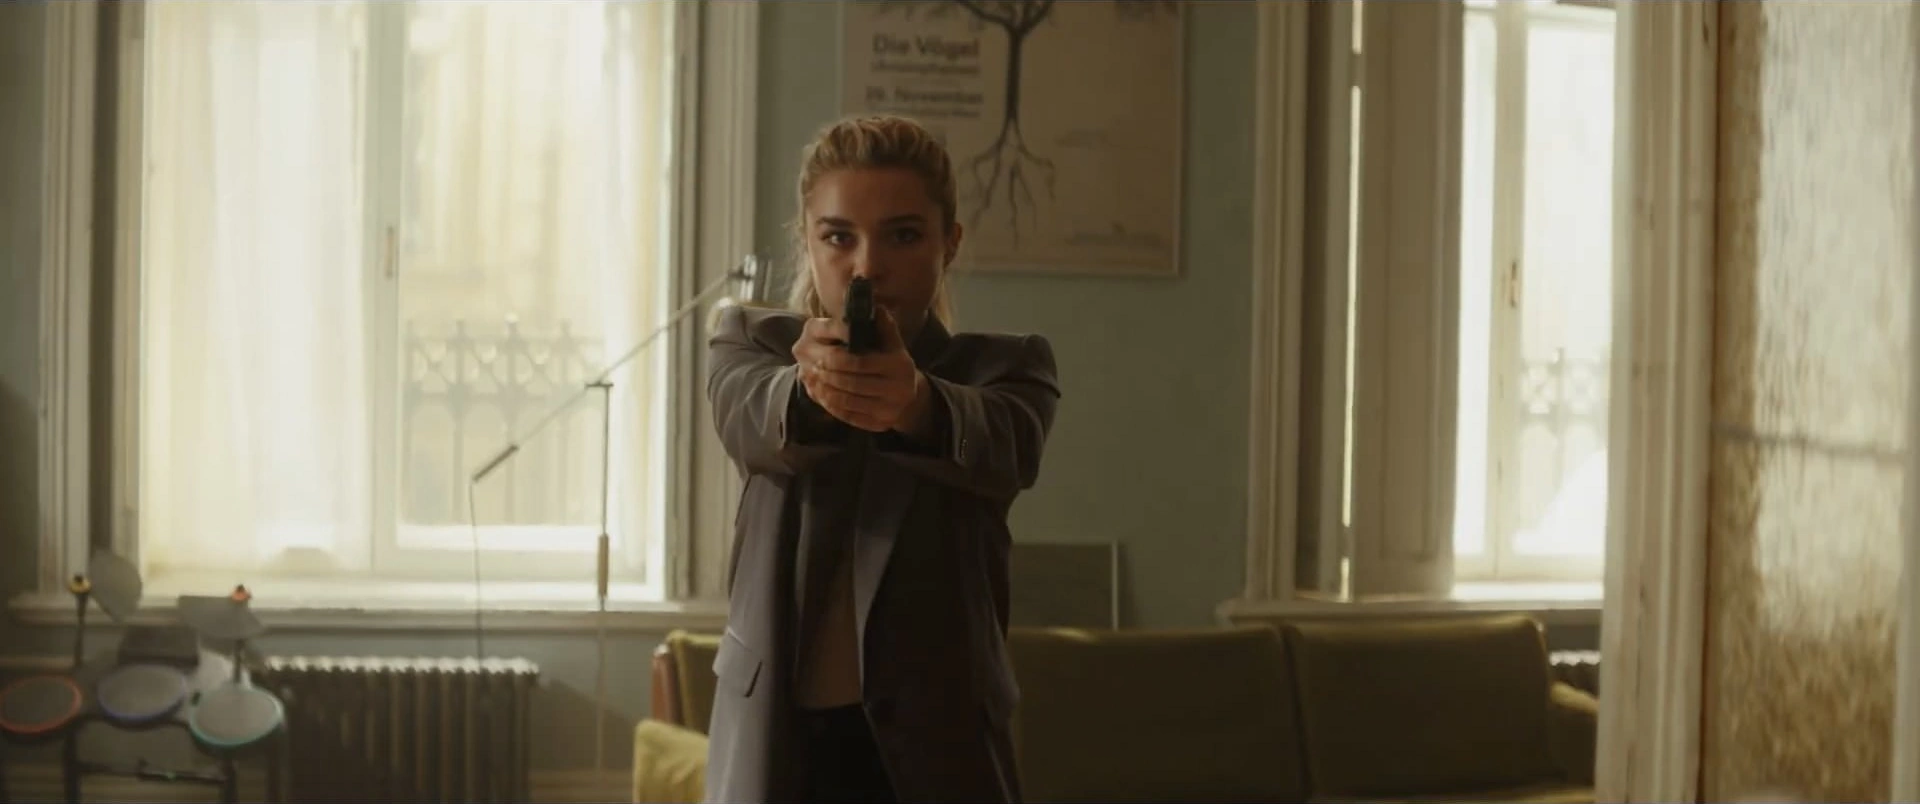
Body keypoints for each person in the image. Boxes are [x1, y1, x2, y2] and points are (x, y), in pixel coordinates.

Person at [703, 114, 1061, 803]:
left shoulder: (1008, 368)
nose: (867, 266)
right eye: (839, 236)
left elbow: (1004, 445)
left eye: (902, 235)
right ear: (807, 241)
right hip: (779, 740)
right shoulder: (747, 341)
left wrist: (918, 404)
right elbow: (751, 416)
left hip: (940, 750)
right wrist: (811, 390)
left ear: (949, 243)